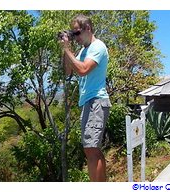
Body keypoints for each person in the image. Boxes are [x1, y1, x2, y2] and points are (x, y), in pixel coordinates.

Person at [60, 14, 111, 182]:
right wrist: (66, 50)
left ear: (87, 28)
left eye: (77, 33)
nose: (76, 38)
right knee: (92, 149)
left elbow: (83, 70)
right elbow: (68, 71)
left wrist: (68, 50)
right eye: (73, 34)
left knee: (90, 149)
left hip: (96, 101)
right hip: (88, 103)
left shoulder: (98, 46)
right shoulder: (83, 50)